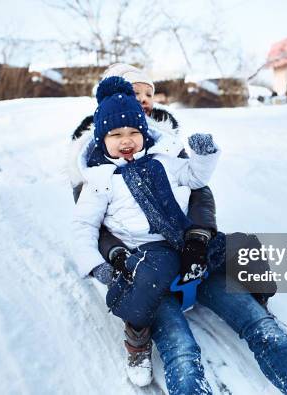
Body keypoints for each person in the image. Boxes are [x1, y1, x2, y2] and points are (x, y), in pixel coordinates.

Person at [70, 75, 221, 385]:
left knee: (235, 247)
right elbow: (84, 226)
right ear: (101, 139)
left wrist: (204, 156)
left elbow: (195, 179)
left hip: (180, 234)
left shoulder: (162, 159)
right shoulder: (100, 179)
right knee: (154, 273)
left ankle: (259, 298)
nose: (126, 140)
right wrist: (97, 267)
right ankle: (137, 338)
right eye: (116, 134)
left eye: (133, 132)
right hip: (146, 248)